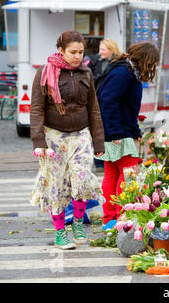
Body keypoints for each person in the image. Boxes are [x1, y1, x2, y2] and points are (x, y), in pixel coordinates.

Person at [30, 30, 106, 250]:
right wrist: (39, 141)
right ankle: (60, 233)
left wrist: (99, 142)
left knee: (81, 180)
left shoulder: (86, 73)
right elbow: (37, 109)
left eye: (81, 52)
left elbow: (94, 109)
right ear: (61, 50)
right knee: (57, 185)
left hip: (81, 134)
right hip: (54, 137)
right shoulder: (44, 73)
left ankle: (79, 224)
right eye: (73, 52)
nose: (78, 56)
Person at [96, 42, 160, 225]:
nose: (153, 67)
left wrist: (135, 130)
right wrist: (116, 132)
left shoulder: (127, 71)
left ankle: (110, 219)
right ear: (144, 59)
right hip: (117, 133)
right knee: (129, 172)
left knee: (112, 173)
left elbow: (127, 107)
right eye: (152, 63)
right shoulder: (124, 73)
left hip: (116, 131)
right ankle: (122, 216)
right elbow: (108, 101)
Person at [87, 38, 122, 171]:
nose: (100, 52)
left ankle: (106, 160)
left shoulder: (117, 63)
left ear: (111, 50)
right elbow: (87, 74)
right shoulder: (95, 60)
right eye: (100, 49)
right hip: (95, 97)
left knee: (106, 129)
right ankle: (99, 161)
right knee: (96, 130)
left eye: (103, 49)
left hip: (107, 99)